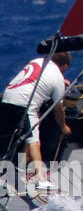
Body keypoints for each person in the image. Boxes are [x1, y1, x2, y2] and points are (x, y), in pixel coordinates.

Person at [1, 52, 72, 188]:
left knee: (25, 138)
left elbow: (36, 78)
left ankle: (18, 172)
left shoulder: (38, 61)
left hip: (7, 99)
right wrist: (63, 127)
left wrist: (60, 81)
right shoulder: (57, 77)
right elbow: (58, 109)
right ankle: (41, 179)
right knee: (34, 141)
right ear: (64, 66)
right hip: (24, 105)